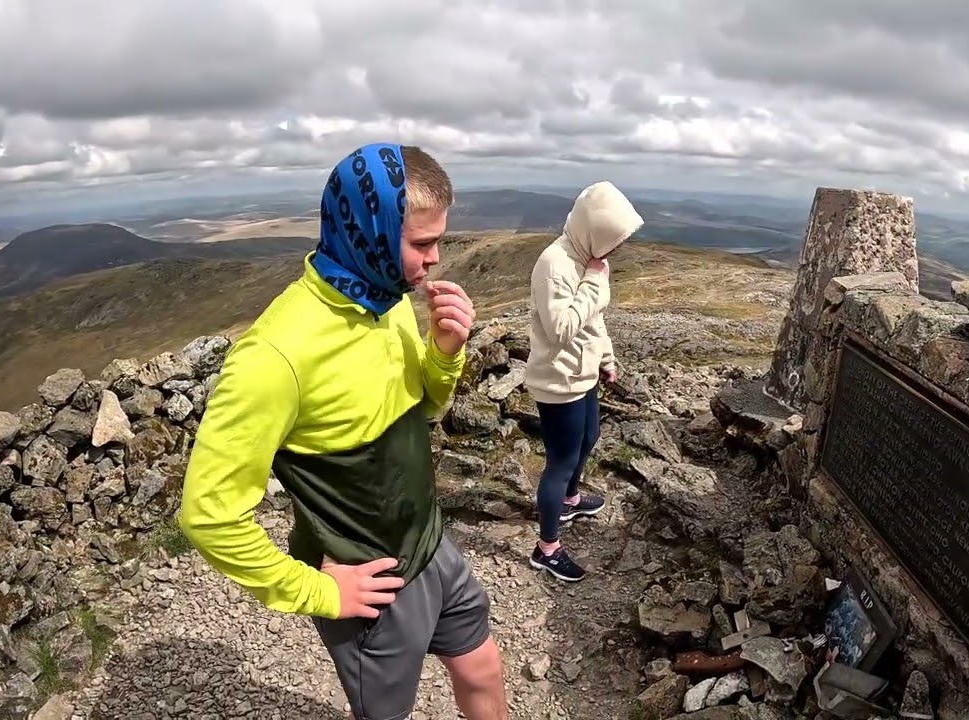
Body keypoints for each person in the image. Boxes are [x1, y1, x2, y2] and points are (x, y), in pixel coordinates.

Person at [178, 143, 508, 720]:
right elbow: (208, 514)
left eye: (439, 242)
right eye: (422, 244)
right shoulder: (274, 357)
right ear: (371, 232)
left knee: (483, 668)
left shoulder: (387, 301)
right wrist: (323, 593)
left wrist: (446, 354)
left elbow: (424, 409)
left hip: (430, 541)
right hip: (368, 583)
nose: (434, 261)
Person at [522, 180, 644, 582]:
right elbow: (560, 328)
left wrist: (605, 358)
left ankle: (571, 500)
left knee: (589, 437)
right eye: (613, 239)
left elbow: (592, 320)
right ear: (592, 229)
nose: (615, 249)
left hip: (583, 374)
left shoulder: (587, 259)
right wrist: (594, 282)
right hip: (560, 382)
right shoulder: (554, 264)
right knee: (560, 462)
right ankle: (546, 548)